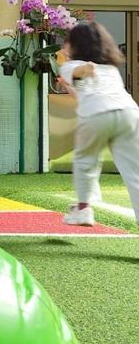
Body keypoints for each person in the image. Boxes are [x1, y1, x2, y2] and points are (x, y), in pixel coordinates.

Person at [58, 20, 139, 226]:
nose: (65, 46)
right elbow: (88, 93)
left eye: (67, 42)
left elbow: (79, 72)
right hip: (128, 113)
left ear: (76, 45)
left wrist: (85, 69)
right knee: (135, 172)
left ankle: (83, 209)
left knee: (85, 161)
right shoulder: (111, 69)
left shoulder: (69, 66)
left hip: (97, 114)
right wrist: (74, 84)